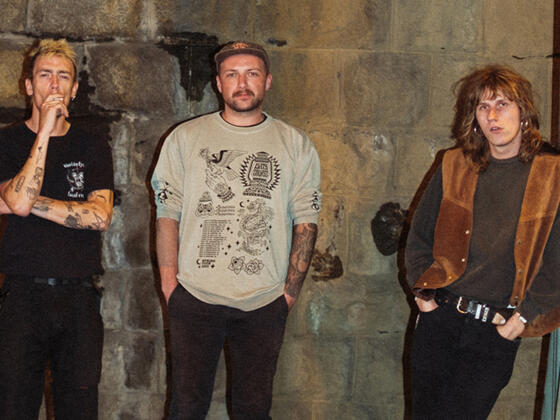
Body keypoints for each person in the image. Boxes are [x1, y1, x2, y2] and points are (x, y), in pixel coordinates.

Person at [151, 40, 321, 419]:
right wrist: (170, 286)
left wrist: (288, 293)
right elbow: (167, 213)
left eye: (252, 74)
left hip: (264, 301)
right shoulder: (185, 138)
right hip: (194, 297)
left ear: (268, 81)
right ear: (218, 83)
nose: (242, 83)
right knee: (185, 409)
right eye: (232, 75)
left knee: (253, 411)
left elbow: (306, 220)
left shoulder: (295, 145)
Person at [405, 64, 560, 419]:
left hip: (495, 329)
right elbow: (418, 239)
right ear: (474, 117)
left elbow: (557, 261)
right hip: (440, 318)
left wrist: (521, 319)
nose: (492, 115)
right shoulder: (454, 164)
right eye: (483, 107)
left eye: (502, 104)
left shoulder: (552, 175)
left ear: (523, 112)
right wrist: (424, 298)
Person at [0, 39, 114, 419]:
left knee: (79, 408)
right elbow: (17, 203)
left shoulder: (92, 145)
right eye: (44, 75)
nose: (54, 84)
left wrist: (29, 202)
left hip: (79, 298)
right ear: (28, 85)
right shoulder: (7, 141)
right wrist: (44, 134)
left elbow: (99, 217)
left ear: (74, 89)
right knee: (13, 406)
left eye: (63, 77)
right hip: (22, 296)